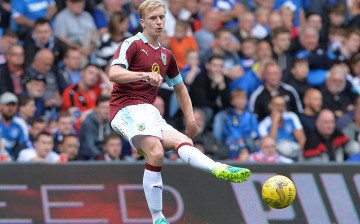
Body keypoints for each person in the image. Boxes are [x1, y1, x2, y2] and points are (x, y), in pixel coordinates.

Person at [108, 1, 251, 224]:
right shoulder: (132, 44)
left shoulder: (166, 55)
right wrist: (144, 75)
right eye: (154, 18)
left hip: (148, 111)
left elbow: (180, 88)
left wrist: (191, 119)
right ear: (143, 22)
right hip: (125, 108)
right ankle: (158, 218)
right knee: (155, 152)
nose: (159, 22)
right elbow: (114, 73)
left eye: (162, 17)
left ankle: (218, 168)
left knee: (184, 141)